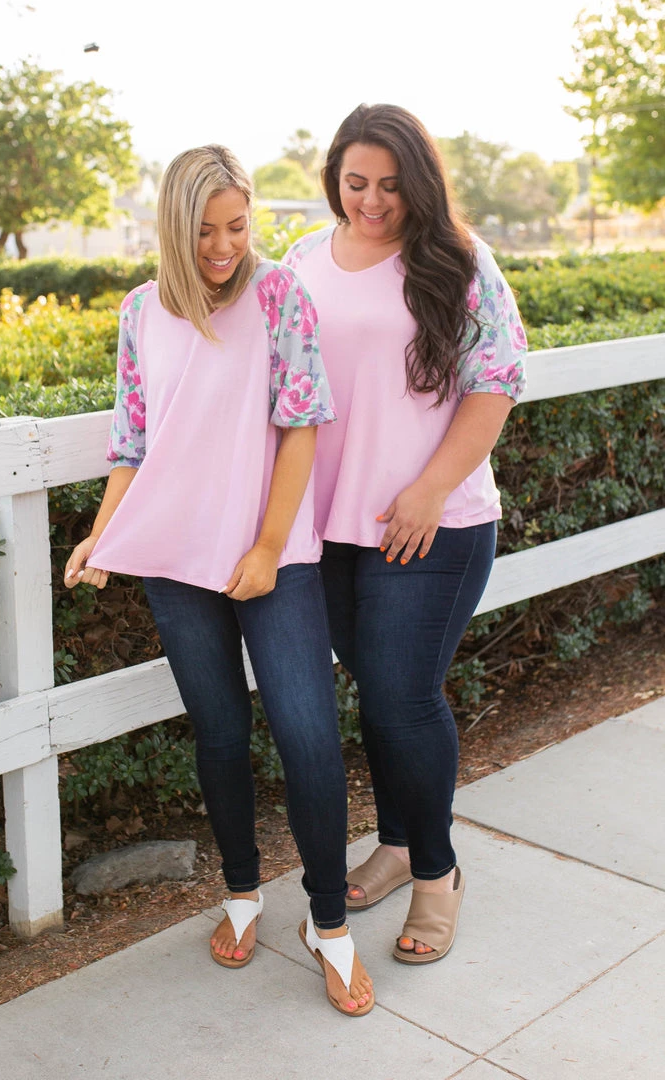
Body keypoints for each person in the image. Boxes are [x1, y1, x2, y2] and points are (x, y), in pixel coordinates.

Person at [64, 145, 373, 1016]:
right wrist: (100, 538)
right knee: (220, 735)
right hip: (176, 564)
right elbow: (134, 444)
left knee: (308, 738)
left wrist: (269, 547)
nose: (225, 246)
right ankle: (241, 893)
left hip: (275, 562)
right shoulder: (139, 311)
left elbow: (302, 424)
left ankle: (329, 925)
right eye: (205, 230)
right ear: (173, 226)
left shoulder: (279, 295)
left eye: (238, 226)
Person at [283, 104, 527, 964]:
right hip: (329, 529)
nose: (373, 201)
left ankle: (435, 873)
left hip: (432, 524)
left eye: (391, 185)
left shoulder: (458, 260)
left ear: (418, 184)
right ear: (334, 179)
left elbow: (496, 381)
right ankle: (394, 845)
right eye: (356, 182)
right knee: (378, 695)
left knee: (401, 698)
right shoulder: (301, 260)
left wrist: (429, 489)